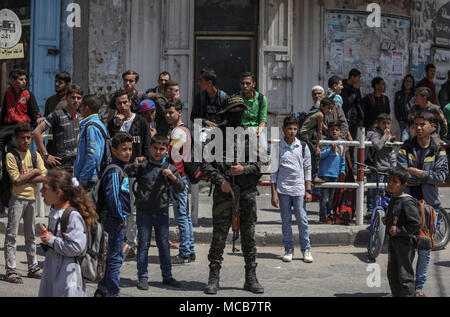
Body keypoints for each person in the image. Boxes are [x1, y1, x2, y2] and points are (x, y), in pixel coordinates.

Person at [202, 95, 264, 295]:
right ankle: (214, 276)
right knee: (219, 235)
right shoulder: (216, 134)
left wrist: (244, 169)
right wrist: (222, 182)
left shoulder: (251, 135)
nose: (236, 114)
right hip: (224, 192)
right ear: (226, 113)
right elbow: (205, 164)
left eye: (240, 111)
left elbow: (261, 164)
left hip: (246, 192)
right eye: (233, 111)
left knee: (249, 234)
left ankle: (250, 277)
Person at [397, 111, 449, 297]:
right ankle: (405, 286)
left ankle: (418, 288)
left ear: (432, 127)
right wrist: (425, 177)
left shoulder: (439, 150)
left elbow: (441, 177)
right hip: (407, 204)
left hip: (430, 206)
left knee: (425, 248)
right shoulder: (405, 148)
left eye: (423, 125)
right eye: (416, 125)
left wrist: (417, 173)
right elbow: (402, 176)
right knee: (406, 249)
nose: (419, 128)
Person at [126, 134, 185, 291]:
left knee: (164, 245)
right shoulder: (143, 165)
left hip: (162, 212)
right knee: (144, 245)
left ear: (166, 150)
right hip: (144, 212)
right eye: (155, 148)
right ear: (150, 148)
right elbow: (127, 172)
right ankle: (143, 277)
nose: (158, 152)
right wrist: (134, 164)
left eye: (162, 149)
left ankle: (167, 275)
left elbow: (181, 188)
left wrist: (172, 177)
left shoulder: (169, 168)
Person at [38, 168, 97, 297]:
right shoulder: (55, 210)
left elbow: (76, 247)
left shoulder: (72, 215)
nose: (41, 192)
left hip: (67, 273)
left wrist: (52, 240)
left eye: (45, 189)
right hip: (53, 269)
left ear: (58, 193)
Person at [107, 89, 151, 258]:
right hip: (117, 173)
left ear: (130, 101)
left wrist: (143, 161)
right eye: (119, 103)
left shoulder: (140, 121)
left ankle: (132, 242)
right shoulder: (113, 124)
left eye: (125, 102)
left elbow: (147, 147)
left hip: (134, 174)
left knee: (132, 208)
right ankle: (119, 239)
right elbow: (109, 146)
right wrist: (116, 126)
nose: (123, 106)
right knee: (117, 206)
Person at [3, 122, 47, 284]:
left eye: (29, 138)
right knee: (12, 235)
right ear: (16, 139)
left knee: (30, 235)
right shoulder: (11, 156)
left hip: (31, 200)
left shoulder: (34, 155)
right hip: (16, 200)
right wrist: (34, 172)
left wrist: (29, 174)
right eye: (23, 138)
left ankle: (33, 267)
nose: (27, 141)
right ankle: (11, 269)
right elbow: (16, 179)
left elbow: (45, 176)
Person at [271, 116, 314, 262]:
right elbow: (274, 173)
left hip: (299, 190)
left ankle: (306, 249)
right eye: (289, 128)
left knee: (302, 220)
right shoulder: (278, 148)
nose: (292, 131)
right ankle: (288, 249)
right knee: (286, 221)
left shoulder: (302, 146)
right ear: (284, 129)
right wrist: (274, 194)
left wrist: (308, 190)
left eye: (295, 129)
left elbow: (308, 168)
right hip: (283, 190)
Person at [95, 132, 133, 297]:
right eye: (123, 149)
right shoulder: (115, 171)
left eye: (130, 149)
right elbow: (113, 197)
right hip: (114, 221)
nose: (128, 152)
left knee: (110, 257)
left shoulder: (120, 168)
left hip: (115, 219)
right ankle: (112, 292)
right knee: (115, 259)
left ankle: (102, 290)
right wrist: (120, 218)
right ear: (114, 151)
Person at [383, 166, 421, 297]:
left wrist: (398, 230)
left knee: (404, 274)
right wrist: (387, 220)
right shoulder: (394, 198)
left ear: (404, 185)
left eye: (395, 181)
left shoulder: (407, 202)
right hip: (394, 241)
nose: (390, 184)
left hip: (405, 243)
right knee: (392, 273)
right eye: (389, 180)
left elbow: (416, 224)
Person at [165, 99, 195, 264]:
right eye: (167, 112)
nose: (168, 115)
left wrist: (172, 177)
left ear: (179, 112)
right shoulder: (181, 130)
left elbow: (174, 157)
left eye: (171, 112)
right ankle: (189, 250)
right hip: (182, 177)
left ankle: (184, 252)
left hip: (178, 177)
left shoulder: (178, 132)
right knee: (185, 216)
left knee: (182, 216)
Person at [32, 84, 82, 173]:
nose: (76, 101)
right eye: (73, 97)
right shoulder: (56, 115)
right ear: (66, 98)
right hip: (60, 169)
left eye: (78, 98)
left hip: (76, 168)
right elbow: (36, 133)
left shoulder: (81, 118)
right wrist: (45, 155)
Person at [0, 69, 40, 157]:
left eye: (25, 79)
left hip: (22, 126)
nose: (24, 82)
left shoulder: (28, 94)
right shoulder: (7, 93)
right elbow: (4, 111)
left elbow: (35, 113)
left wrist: (34, 128)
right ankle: (4, 166)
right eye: (21, 79)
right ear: (12, 81)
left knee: (14, 147)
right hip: (7, 126)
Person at [73, 95, 107, 191]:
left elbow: (93, 156)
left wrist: (82, 178)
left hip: (89, 179)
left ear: (86, 108)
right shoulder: (97, 123)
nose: (80, 109)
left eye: (81, 106)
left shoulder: (91, 127)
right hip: (89, 177)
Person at [366, 113, 397, 214]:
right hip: (378, 167)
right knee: (376, 192)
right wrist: (384, 137)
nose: (386, 126)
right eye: (383, 123)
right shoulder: (375, 134)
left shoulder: (388, 134)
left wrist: (391, 139)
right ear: (378, 124)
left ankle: (384, 212)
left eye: (388, 123)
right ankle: (374, 212)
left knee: (387, 192)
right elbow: (378, 145)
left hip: (388, 166)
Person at [299, 98, 334, 183]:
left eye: (331, 109)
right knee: (316, 154)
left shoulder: (316, 112)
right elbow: (319, 132)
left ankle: (307, 176)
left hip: (303, 136)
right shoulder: (320, 115)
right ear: (322, 106)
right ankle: (314, 177)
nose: (330, 110)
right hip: (305, 136)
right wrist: (317, 147)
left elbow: (324, 127)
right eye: (328, 108)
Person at [317, 121, 346, 224]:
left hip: (335, 174)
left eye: (337, 130)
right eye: (332, 129)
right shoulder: (324, 142)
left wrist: (342, 171)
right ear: (328, 131)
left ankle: (329, 215)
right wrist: (330, 149)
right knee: (324, 198)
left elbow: (342, 159)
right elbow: (320, 156)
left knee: (332, 198)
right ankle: (322, 216)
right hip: (324, 173)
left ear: (340, 132)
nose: (334, 131)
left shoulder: (343, 143)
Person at [190, 69, 228, 136]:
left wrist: (218, 127)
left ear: (209, 83)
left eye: (201, 81)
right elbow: (193, 117)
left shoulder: (223, 97)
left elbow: (228, 119)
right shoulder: (200, 97)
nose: (198, 84)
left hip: (221, 131)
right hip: (204, 130)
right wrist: (205, 122)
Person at [43, 71, 72, 157]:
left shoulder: (71, 101)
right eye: (56, 81)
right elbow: (45, 120)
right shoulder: (50, 100)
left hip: (68, 141)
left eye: (60, 82)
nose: (56, 84)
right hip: (52, 141)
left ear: (67, 85)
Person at [239, 72, 268, 153]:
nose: (245, 86)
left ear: (254, 84)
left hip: (257, 129)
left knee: (264, 148)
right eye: (242, 83)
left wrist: (258, 132)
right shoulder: (237, 98)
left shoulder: (261, 98)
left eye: (248, 83)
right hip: (240, 129)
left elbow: (263, 120)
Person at [341, 68, 364, 141]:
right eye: (358, 77)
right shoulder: (343, 86)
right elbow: (347, 101)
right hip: (346, 117)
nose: (359, 80)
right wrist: (354, 89)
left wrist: (361, 116)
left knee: (352, 141)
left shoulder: (356, 87)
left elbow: (358, 102)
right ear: (352, 77)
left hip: (354, 118)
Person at [394, 75, 415, 142]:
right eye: (406, 81)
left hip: (414, 122)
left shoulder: (415, 95)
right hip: (404, 122)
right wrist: (399, 120)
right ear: (403, 82)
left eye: (410, 82)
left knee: (414, 141)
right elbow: (396, 108)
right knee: (404, 140)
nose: (408, 83)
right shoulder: (399, 94)